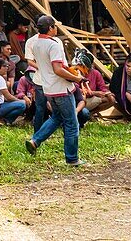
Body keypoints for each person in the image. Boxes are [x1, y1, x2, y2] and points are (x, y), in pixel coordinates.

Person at [24, 15, 84, 167]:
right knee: (71, 123)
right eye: (55, 26)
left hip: (48, 88)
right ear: (50, 28)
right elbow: (57, 69)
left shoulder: (36, 43)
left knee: (56, 117)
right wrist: (77, 79)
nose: (56, 28)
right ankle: (72, 159)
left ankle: (35, 140)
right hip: (61, 88)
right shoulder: (54, 44)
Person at [0, 58, 30, 125]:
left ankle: (3, 119)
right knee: (22, 104)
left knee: (18, 102)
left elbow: (6, 98)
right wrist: (19, 100)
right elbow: (8, 97)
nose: (7, 68)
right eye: (5, 66)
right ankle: (6, 121)